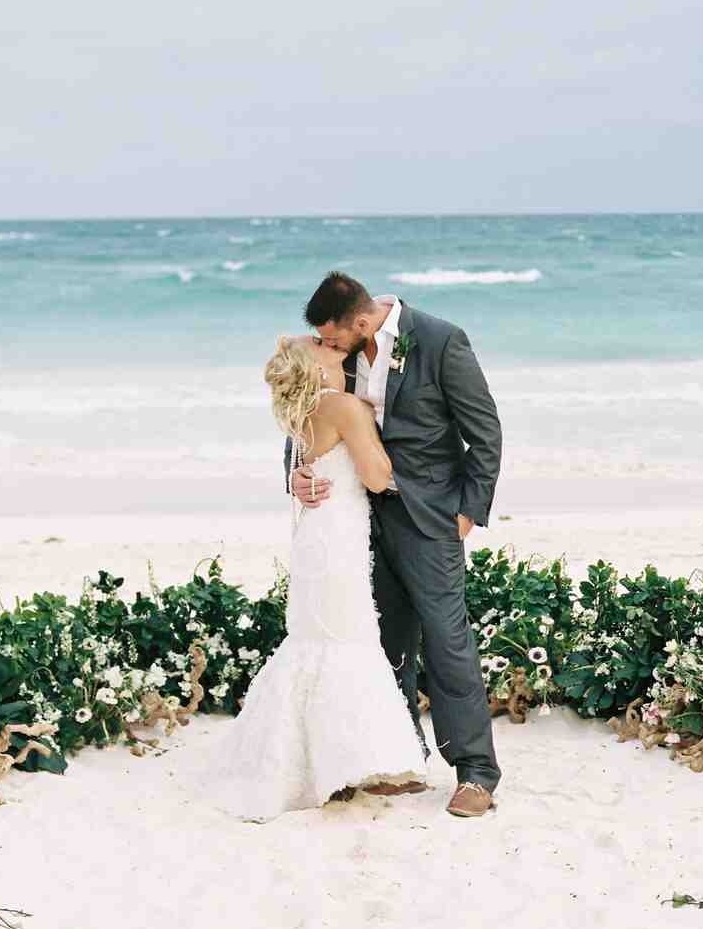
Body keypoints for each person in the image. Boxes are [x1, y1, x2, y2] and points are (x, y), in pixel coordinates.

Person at [289, 272, 502, 818]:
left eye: (333, 338)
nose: (327, 348)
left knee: (447, 638)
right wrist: (296, 473)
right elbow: (305, 416)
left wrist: (467, 512)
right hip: (357, 519)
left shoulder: (439, 340)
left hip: (430, 518)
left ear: (360, 322)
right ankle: (402, 759)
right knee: (384, 640)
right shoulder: (342, 355)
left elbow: (484, 430)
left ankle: (476, 773)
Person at [214, 335, 426, 823]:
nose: (328, 342)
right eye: (320, 342)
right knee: (347, 643)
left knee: (318, 642)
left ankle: (324, 762)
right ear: (315, 364)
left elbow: (305, 462)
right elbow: (375, 477)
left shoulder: (300, 412)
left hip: (315, 537)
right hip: (341, 540)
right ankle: (339, 767)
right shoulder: (347, 407)